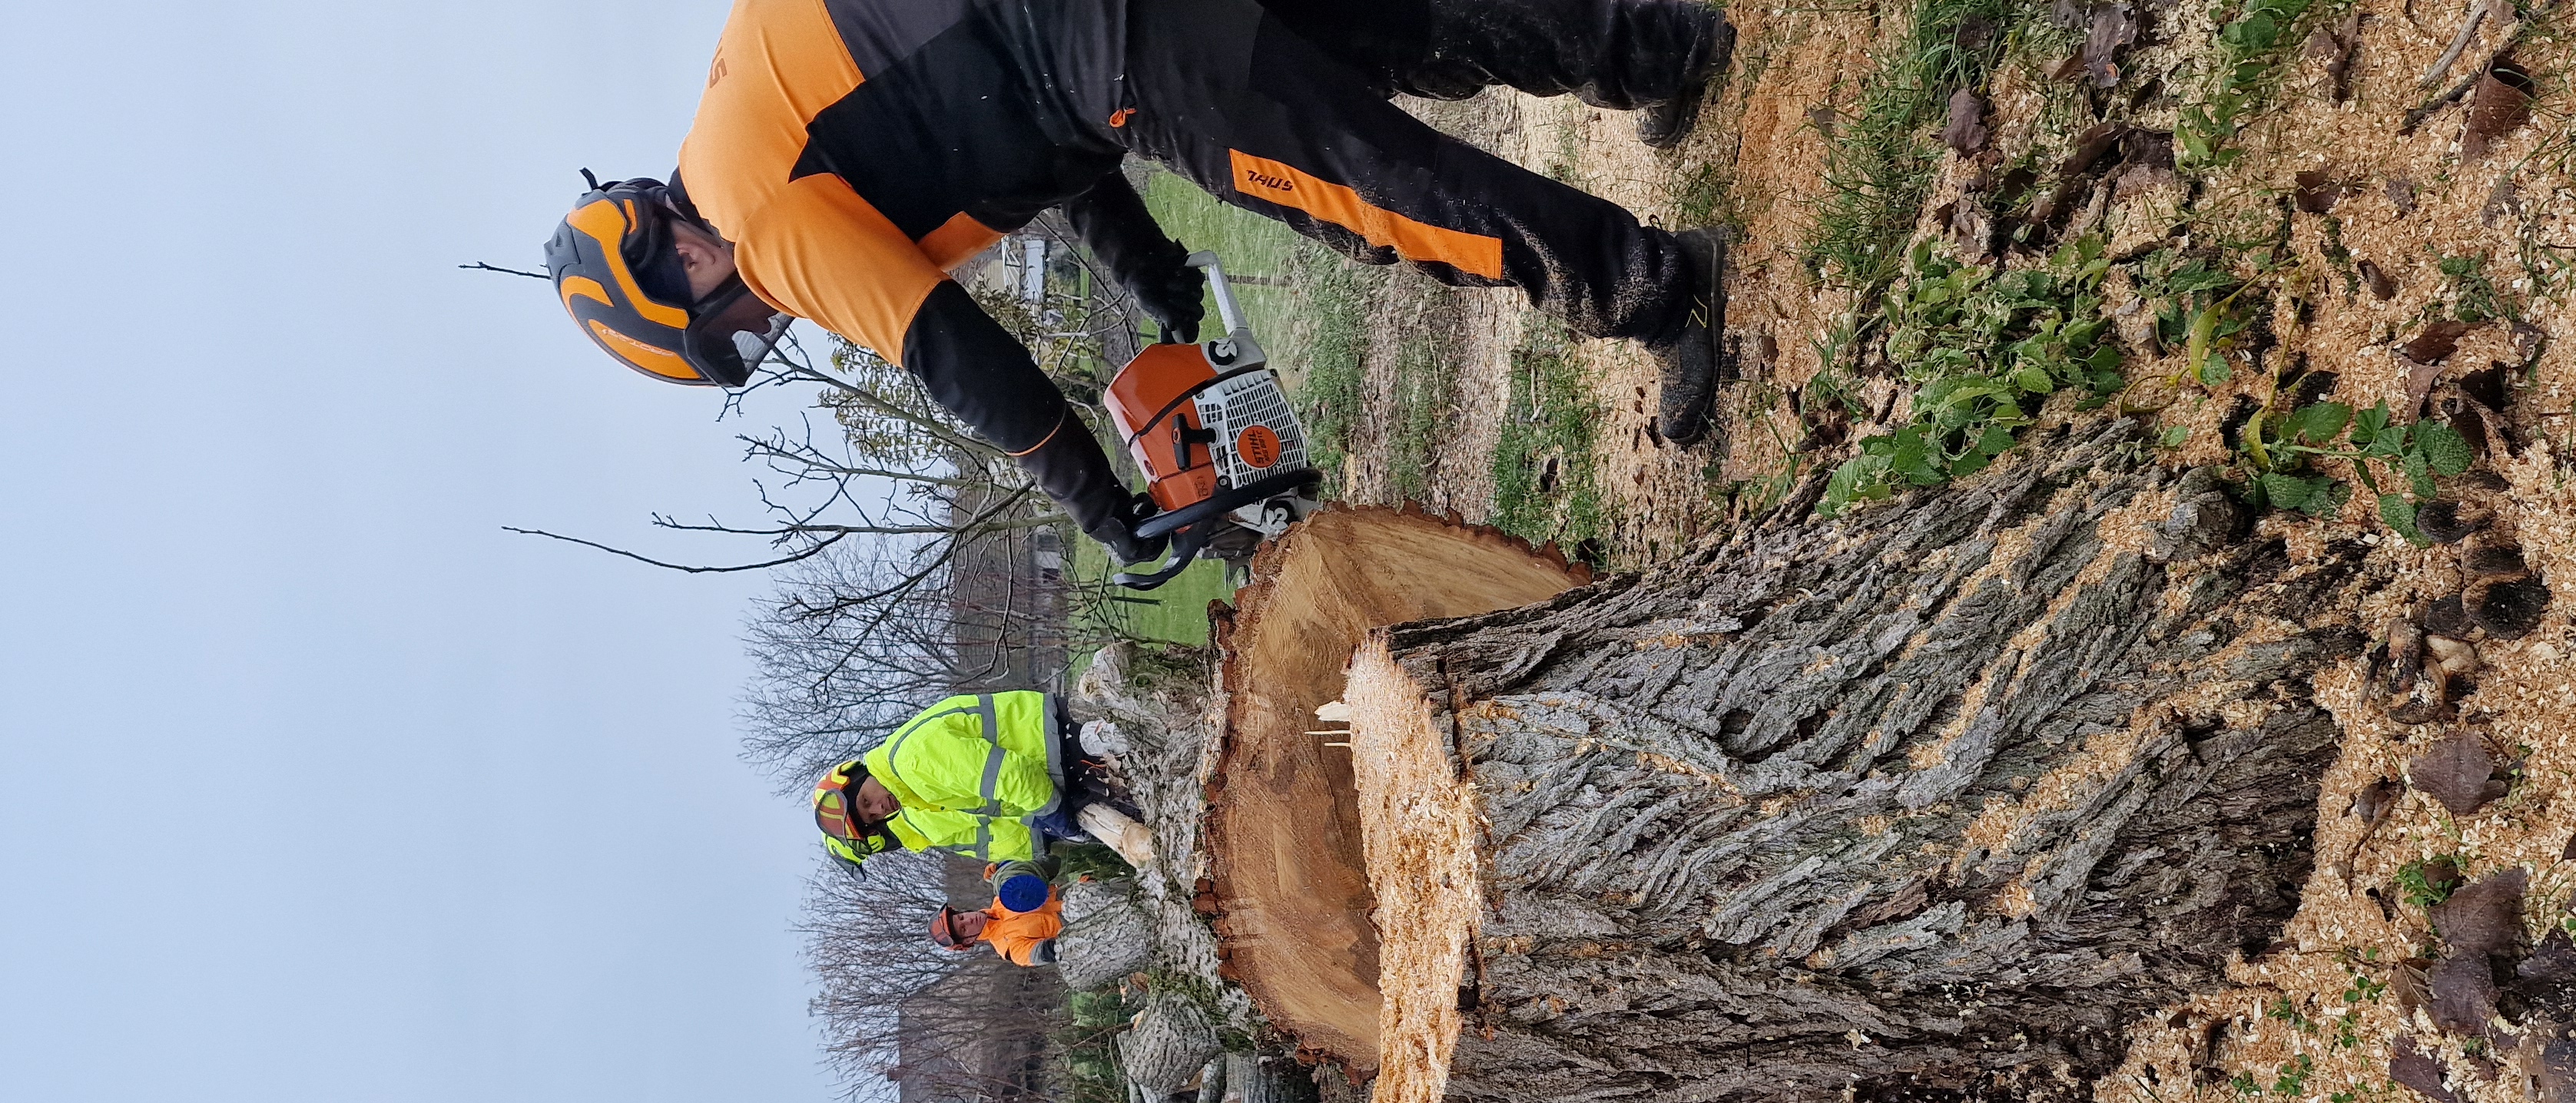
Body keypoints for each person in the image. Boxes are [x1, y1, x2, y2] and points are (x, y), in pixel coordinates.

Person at [547, 0, 1737, 565]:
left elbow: (955, 358)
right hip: (1081, 44)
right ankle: (1654, 50)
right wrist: (1155, 277)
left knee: (1372, 190)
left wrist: (1106, 512)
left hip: (1103, 41)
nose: (763, 323)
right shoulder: (755, 112)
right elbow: (1037, 144)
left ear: (678, 264)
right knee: (1389, 23)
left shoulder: (760, 223)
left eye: (731, 331)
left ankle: (1651, 288)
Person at [811, 687, 1155, 876]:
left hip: (1058, 745)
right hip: (1053, 766)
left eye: (866, 802)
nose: (880, 809)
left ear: (857, 777)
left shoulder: (912, 762)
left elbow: (1010, 775)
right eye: (873, 818)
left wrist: (1056, 818)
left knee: (1157, 768)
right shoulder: (911, 791)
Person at [932, 868, 1069, 968]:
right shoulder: (1008, 948)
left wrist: (1001, 869)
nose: (969, 920)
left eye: (961, 917)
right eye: (964, 929)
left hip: (1075, 891)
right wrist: (1052, 950)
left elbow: (1032, 872)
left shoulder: (1001, 899)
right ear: (968, 940)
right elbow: (1038, 954)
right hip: (1074, 923)